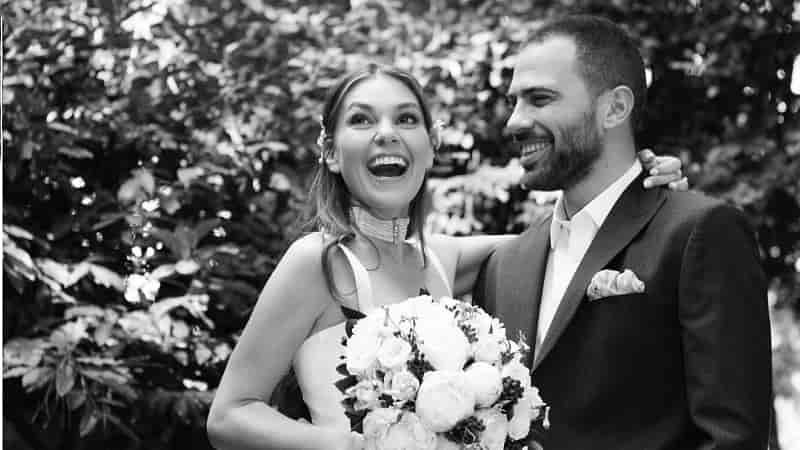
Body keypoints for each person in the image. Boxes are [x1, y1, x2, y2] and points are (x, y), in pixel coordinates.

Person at [206, 63, 686, 450]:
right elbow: (229, 415)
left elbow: (569, 236)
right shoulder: (317, 262)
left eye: (406, 119)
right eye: (361, 119)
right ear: (330, 153)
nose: (386, 133)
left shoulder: (443, 261)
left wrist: (633, 184)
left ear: (432, 145)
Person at [473, 14, 772, 450]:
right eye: (514, 101)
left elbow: (733, 438)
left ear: (614, 108)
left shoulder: (698, 232)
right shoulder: (504, 264)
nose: (514, 122)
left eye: (539, 99)